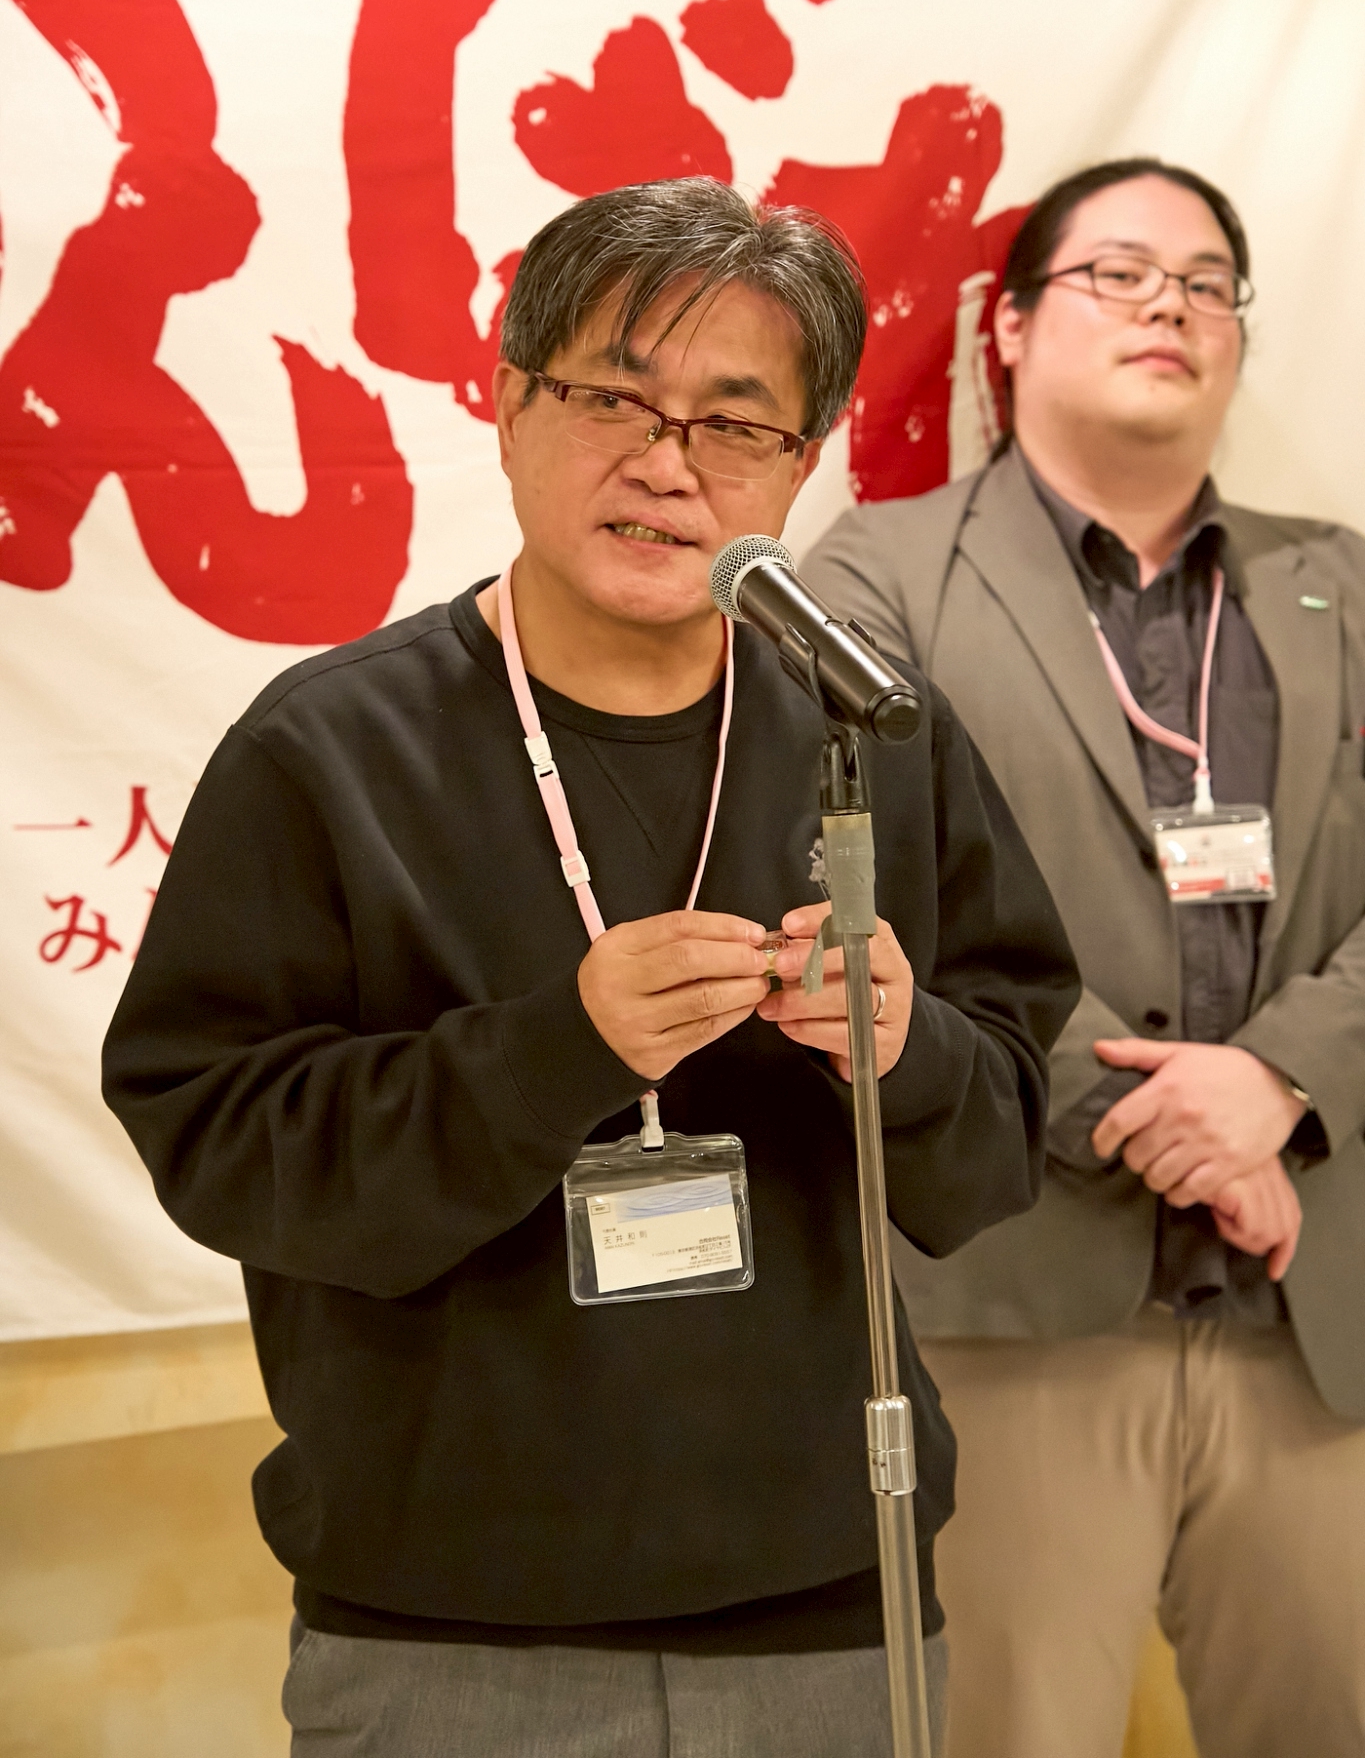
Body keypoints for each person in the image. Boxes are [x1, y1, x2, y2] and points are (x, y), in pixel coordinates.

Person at [103, 178, 1078, 1758]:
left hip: (829, 1595)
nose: (665, 464)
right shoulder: (331, 749)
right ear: (507, 407)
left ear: (801, 462)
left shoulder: (869, 733)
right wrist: (551, 1050)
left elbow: (1003, 1126)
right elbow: (216, 1142)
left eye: (733, 423)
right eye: (613, 399)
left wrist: (906, 1049)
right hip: (449, 1620)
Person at [803, 157, 1365, 1758]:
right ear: (1007, 326)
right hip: (1016, 1303)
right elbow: (853, 901)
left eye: (1202, 284)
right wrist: (1155, 1119)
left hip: (1313, 1307)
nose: (1164, 308)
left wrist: (1278, 1082)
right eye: (1117, 272)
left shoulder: (1339, 580)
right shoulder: (875, 577)